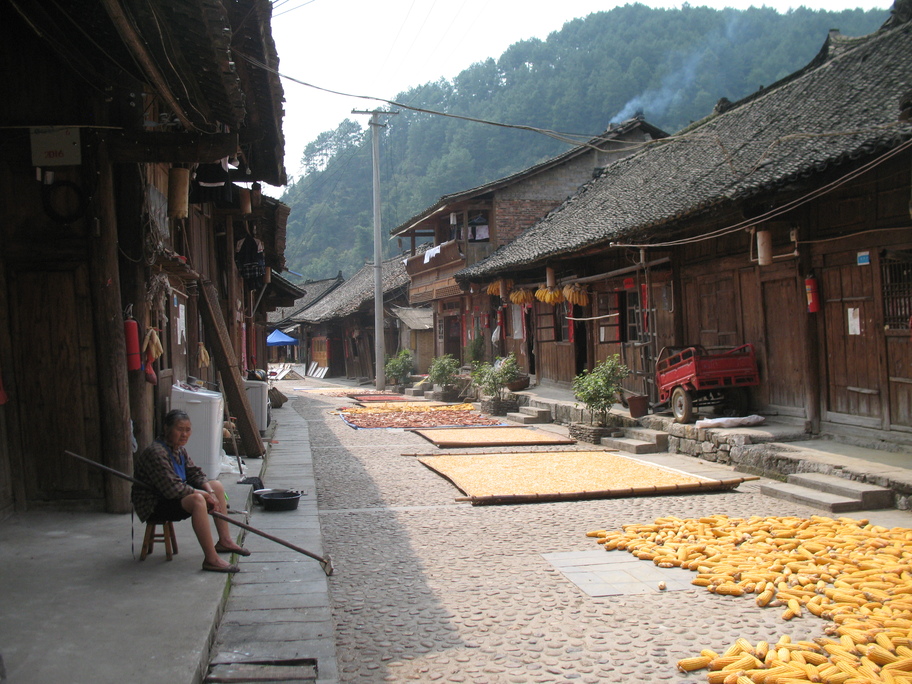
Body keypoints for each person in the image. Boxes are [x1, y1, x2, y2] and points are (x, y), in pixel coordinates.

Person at [132, 409, 250, 573]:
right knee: (197, 500)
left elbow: (195, 473)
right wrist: (205, 495)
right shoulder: (156, 453)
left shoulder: (179, 449)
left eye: (188, 430)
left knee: (216, 486)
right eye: (180, 429)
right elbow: (173, 490)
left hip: (171, 497)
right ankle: (211, 559)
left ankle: (225, 540)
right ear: (166, 428)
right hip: (154, 504)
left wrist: (210, 491)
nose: (184, 434)